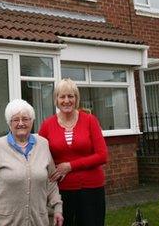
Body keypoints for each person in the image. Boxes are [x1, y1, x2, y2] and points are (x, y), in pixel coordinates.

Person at [0, 99, 64, 226]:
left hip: (38, 221)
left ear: (32, 121)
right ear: (9, 123)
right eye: (15, 120)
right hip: (7, 222)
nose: (21, 123)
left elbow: (51, 181)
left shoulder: (43, 144)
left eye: (25, 119)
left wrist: (57, 207)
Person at [38, 79, 108, 226]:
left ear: (76, 98)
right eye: (62, 97)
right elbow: (39, 155)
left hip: (92, 188)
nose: (66, 100)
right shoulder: (47, 125)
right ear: (56, 100)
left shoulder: (90, 120)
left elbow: (102, 155)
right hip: (62, 190)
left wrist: (70, 166)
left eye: (71, 96)